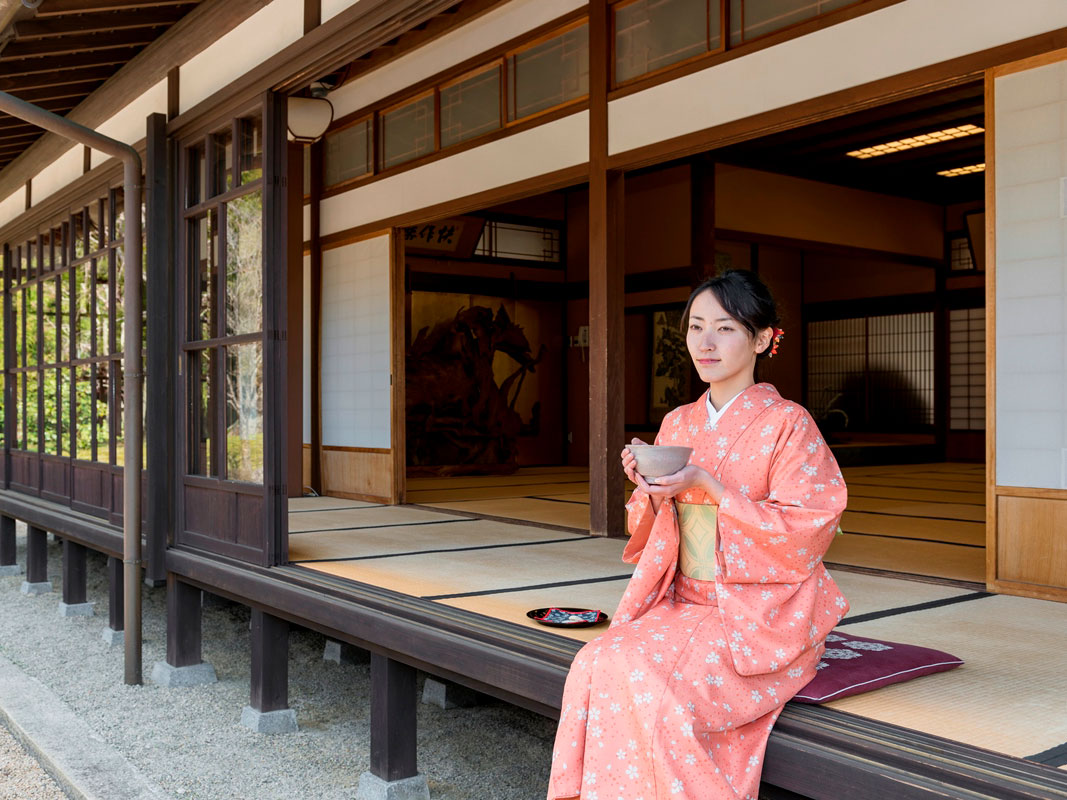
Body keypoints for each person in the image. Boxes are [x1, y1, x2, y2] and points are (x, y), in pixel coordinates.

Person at [547, 270, 849, 800]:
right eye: (696, 328)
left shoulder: (788, 423)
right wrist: (650, 489)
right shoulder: (679, 422)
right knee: (596, 661)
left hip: (761, 612)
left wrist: (711, 486)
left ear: (761, 339)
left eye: (725, 329)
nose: (705, 344)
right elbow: (652, 520)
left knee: (663, 697)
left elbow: (809, 525)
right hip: (684, 598)